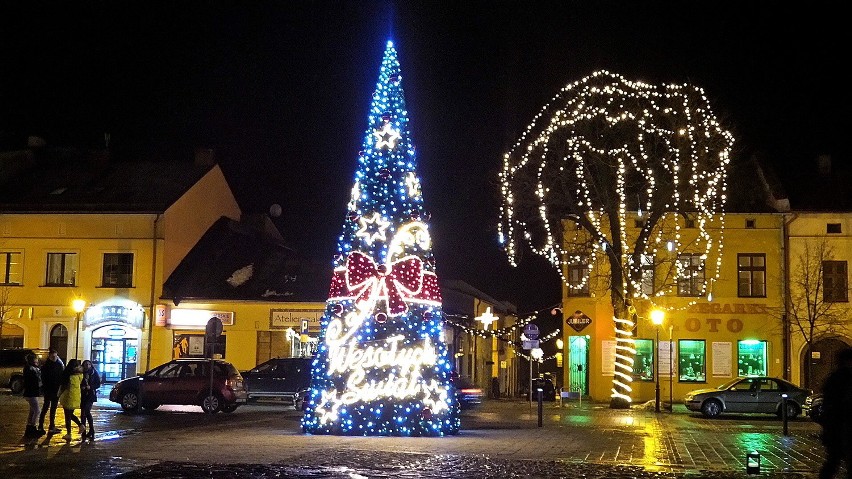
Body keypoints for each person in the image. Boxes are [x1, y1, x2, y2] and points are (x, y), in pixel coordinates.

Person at [818, 347, 852, 479]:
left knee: (833, 461)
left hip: (835, 427)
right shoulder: (844, 378)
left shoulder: (834, 378)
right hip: (842, 427)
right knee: (835, 461)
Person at [38, 347, 64, 435]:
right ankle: (41, 426)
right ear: (49, 356)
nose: (54, 358)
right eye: (53, 357)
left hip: (55, 390)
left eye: (55, 357)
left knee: (53, 409)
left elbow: (61, 376)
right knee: (45, 408)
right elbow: (44, 378)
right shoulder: (46, 366)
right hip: (49, 390)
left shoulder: (58, 364)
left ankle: (51, 426)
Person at [57, 359, 85, 440]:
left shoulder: (68, 376)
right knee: (70, 415)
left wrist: (58, 395)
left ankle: (69, 433)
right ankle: (80, 425)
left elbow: (63, 387)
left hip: (68, 397)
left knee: (68, 416)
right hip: (76, 398)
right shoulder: (80, 375)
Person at [22, 353, 45, 438]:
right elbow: (32, 380)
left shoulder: (34, 368)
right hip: (30, 392)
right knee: (37, 410)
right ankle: (32, 427)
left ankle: (29, 428)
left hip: (33, 392)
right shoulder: (29, 369)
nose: (37, 360)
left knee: (32, 410)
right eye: (35, 359)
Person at [80, 360, 100, 440]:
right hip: (83, 395)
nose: (87, 366)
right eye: (86, 364)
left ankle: (91, 430)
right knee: (83, 413)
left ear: (91, 365)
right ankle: (84, 431)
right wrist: (82, 387)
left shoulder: (94, 373)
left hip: (90, 395)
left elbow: (98, 384)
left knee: (86, 411)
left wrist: (90, 387)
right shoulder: (81, 373)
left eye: (89, 364)